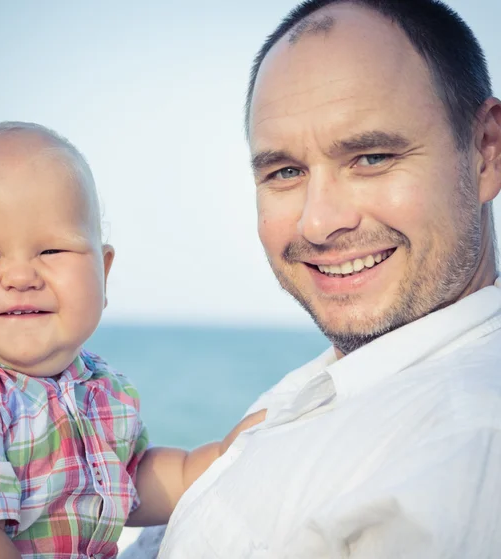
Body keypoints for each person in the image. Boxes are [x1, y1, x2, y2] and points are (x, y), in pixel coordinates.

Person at [153, 0, 501, 557]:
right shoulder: (346, 379)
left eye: (371, 157)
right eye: (286, 171)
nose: (318, 222)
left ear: (486, 153)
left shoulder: (459, 455)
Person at [0, 122, 264, 559]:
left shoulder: (97, 385)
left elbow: (132, 479)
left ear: (103, 272)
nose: (21, 276)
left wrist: (213, 461)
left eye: (52, 251)